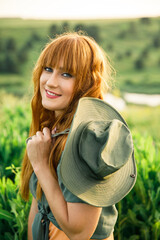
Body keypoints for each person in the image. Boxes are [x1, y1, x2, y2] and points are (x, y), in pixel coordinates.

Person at [20, 32, 137, 240]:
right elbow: (38, 207)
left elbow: (79, 232)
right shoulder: (51, 129)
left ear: (87, 82)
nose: (50, 82)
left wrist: (41, 167)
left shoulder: (89, 141)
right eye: (48, 69)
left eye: (66, 74)